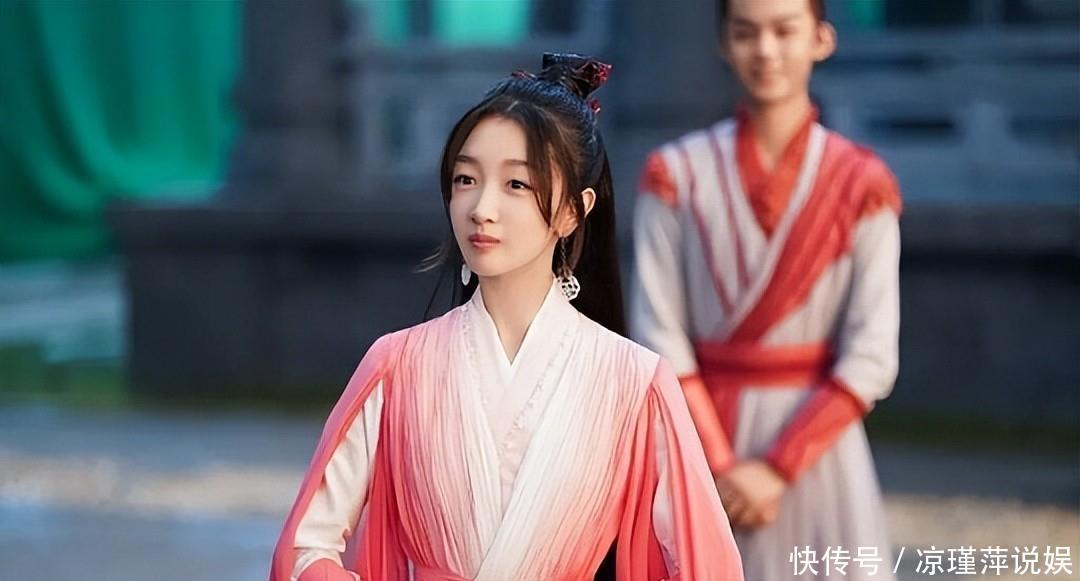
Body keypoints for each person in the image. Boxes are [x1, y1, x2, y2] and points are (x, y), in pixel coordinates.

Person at [270, 53, 744, 581]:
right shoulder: (396, 365)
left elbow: (707, 565)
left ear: (574, 210)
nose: (481, 208)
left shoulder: (635, 382)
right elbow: (305, 547)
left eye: (516, 184)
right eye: (465, 179)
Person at [630, 1, 902, 579]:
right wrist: (721, 466)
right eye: (746, 33)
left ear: (822, 39)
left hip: (818, 446)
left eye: (785, 31)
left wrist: (777, 468)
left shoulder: (861, 181)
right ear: (723, 44)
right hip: (700, 439)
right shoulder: (675, 173)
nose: (766, 51)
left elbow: (873, 353)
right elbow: (657, 332)